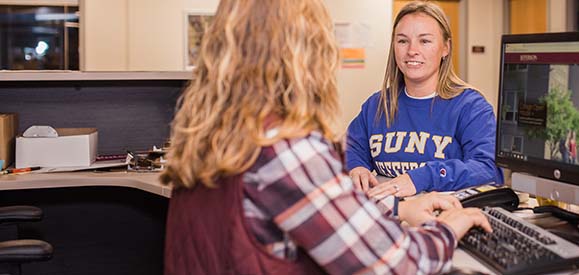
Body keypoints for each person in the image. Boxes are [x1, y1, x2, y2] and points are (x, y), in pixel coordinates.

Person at [160, 0, 491, 274]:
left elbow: (311, 203)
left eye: (425, 40)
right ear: (306, 51)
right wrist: (448, 227)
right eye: (403, 40)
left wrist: (397, 207)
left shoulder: (212, 137)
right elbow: (402, 263)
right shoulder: (286, 148)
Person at [346, 1, 503, 198]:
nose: (412, 50)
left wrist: (423, 177)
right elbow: (350, 148)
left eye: (425, 41)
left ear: (445, 48)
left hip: (445, 218)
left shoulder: (471, 107)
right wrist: (357, 167)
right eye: (403, 41)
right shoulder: (377, 105)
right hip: (390, 218)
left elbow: (488, 169)